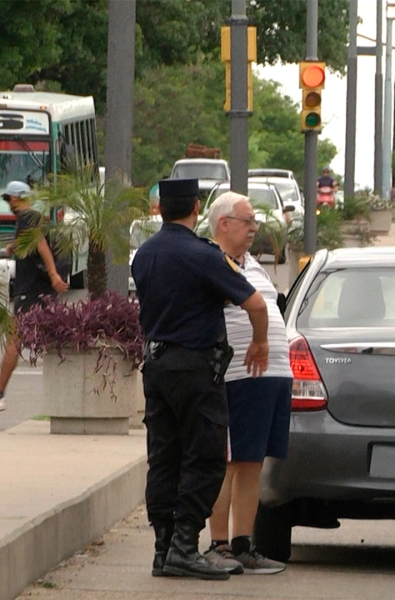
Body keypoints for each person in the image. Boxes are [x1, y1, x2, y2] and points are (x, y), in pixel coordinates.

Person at [131, 178, 270, 581]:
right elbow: (256, 304)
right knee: (206, 457)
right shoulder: (204, 255)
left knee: (164, 458)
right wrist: (260, 343)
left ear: (160, 209)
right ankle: (185, 546)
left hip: (156, 366)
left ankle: (164, 548)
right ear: (196, 208)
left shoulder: (145, 254)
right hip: (195, 369)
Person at [203, 192, 292, 575]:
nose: (255, 227)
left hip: (273, 375)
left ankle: (243, 544)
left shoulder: (252, 264)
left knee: (253, 461)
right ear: (224, 223)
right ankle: (219, 544)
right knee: (228, 461)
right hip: (239, 374)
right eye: (248, 220)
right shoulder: (211, 262)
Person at [0, 181, 69, 414]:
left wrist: (53, 274)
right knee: (56, 338)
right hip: (41, 291)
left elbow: (40, 244)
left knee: (14, 342)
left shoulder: (26, 218)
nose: (8, 204)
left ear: (15, 199)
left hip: (31, 290)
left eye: (8, 199)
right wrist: (13, 247)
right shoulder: (36, 218)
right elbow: (33, 241)